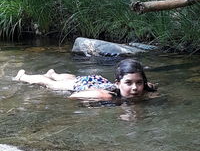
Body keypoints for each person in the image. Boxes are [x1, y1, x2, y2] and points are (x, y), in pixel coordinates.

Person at [13, 59, 157, 100]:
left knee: (74, 78)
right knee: (51, 85)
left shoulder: (145, 89)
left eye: (139, 82)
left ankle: (54, 73)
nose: (134, 88)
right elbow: (73, 96)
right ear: (118, 83)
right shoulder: (106, 95)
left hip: (98, 80)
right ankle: (23, 76)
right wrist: (88, 102)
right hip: (85, 86)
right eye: (128, 83)